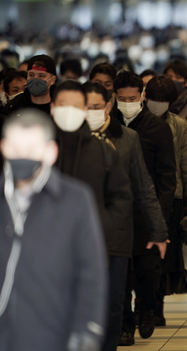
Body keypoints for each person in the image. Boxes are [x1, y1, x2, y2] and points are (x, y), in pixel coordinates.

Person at [0, 109, 108, 351]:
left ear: (50, 152)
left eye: (32, 148)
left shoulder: (75, 200)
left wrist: (87, 329)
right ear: (4, 147)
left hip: (52, 333)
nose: (23, 155)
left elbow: (91, 271)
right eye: (16, 148)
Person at [83, 81, 169, 347]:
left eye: (95, 107)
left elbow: (145, 186)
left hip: (118, 231)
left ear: (107, 107)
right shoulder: (67, 139)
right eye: (85, 107)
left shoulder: (127, 138)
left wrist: (159, 230)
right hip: (81, 232)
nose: (90, 112)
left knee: (113, 300)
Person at [49, 80, 133, 351]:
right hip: (47, 250)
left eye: (76, 106)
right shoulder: (39, 149)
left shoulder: (102, 149)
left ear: (86, 109)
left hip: (96, 249)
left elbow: (121, 197)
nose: (69, 111)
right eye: (63, 105)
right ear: (52, 108)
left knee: (100, 312)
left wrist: (102, 229)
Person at [112, 71, 176, 345]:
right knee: (121, 275)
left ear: (142, 97)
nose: (127, 103)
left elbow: (166, 175)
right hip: (117, 213)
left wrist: (159, 214)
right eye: (122, 98)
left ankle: (147, 308)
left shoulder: (156, 127)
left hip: (147, 212)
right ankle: (125, 324)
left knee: (149, 272)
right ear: (114, 98)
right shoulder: (108, 126)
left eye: (132, 98)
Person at [145, 76, 187, 322]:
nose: (158, 105)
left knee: (165, 258)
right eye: (154, 99)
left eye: (163, 100)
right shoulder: (136, 124)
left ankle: (157, 305)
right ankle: (142, 302)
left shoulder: (178, 125)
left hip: (172, 196)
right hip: (141, 197)